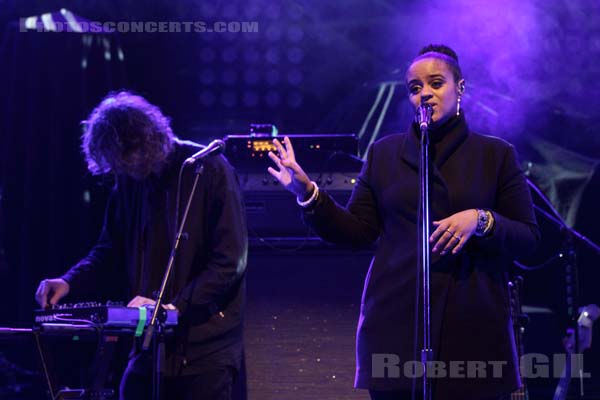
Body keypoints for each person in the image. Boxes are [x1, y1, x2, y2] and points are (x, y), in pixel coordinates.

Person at [267, 45, 540, 400]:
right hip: (397, 327)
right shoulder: (384, 154)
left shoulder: (495, 155)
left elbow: (529, 239)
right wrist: (309, 194)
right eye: (414, 88)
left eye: (436, 83)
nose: (424, 93)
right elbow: (357, 231)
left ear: (460, 88)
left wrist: (481, 219)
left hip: (473, 330)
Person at [35, 91, 248, 400]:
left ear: (143, 143)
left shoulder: (208, 169)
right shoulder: (130, 181)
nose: (123, 171)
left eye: (126, 162)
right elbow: (109, 249)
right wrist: (69, 281)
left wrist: (176, 307)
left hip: (205, 348)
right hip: (150, 343)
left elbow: (230, 261)